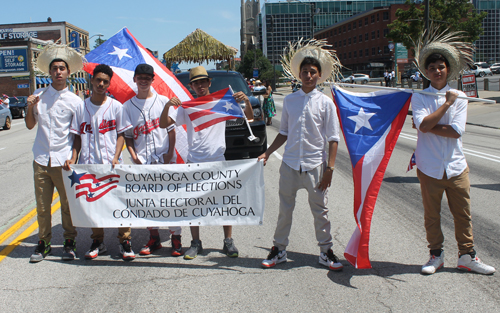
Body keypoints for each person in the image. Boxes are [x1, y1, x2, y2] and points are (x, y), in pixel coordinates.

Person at [412, 31, 496, 275]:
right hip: (429, 167)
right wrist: (445, 105)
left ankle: (467, 256)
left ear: (448, 69)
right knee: (431, 216)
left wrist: (429, 125)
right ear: (426, 72)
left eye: (441, 67)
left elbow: (456, 131)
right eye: (432, 68)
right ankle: (436, 255)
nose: (437, 71)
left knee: (463, 214)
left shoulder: (460, 96)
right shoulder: (419, 97)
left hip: (456, 166)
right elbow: (423, 125)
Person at [258, 43, 343, 271]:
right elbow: (284, 132)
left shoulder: (326, 103)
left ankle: (326, 251)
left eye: (312, 72)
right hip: (290, 164)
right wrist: (266, 152)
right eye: (304, 72)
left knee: (320, 212)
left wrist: (329, 170)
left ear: (319, 75)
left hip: (316, 165)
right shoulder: (290, 101)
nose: (308, 76)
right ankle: (279, 249)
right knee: (285, 210)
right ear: (299, 75)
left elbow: (333, 139)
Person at [159, 65, 254, 259]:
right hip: (195, 161)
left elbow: (250, 118)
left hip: (218, 160)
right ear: (191, 86)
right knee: (194, 204)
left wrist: (246, 101)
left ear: (209, 83)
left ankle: (228, 241)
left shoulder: (221, 102)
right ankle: (196, 243)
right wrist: (168, 106)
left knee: (225, 203)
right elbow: (163, 124)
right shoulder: (188, 107)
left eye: (203, 82)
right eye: (196, 83)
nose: (200, 85)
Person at [63, 64, 135, 260]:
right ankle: (97, 241)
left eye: (105, 81)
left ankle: (125, 241)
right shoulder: (81, 107)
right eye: (98, 80)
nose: (101, 84)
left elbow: (121, 133)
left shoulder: (116, 106)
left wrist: (115, 155)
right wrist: (73, 158)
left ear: (109, 84)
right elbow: (77, 136)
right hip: (89, 163)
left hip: (112, 164)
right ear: (92, 81)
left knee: (119, 202)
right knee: (94, 203)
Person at [25, 45, 84, 262]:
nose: (58, 72)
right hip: (41, 158)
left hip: (64, 161)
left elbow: (77, 133)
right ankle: (44, 243)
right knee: (42, 207)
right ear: (49, 73)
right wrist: (29, 107)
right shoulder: (38, 96)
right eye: (54, 69)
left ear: (68, 73)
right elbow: (31, 125)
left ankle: (69, 242)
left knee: (68, 207)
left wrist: (74, 157)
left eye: (62, 68)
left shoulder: (75, 101)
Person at [118, 63, 183, 257]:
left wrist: (170, 153)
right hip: (143, 161)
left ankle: (176, 238)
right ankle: (154, 237)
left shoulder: (163, 101)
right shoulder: (127, 106)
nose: (144, 81)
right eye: (140, 77)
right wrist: (132, 154)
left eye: (147, 78)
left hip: (164, 159)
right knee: (147, 202)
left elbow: (171, 130)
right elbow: (128, 134)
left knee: (171, 200)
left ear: (153, 79)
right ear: (135, 79)